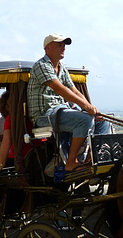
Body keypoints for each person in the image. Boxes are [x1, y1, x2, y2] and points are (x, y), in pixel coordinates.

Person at [27, 33, 110, 172]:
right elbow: (60, 89)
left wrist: (91, 108)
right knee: (84, 120)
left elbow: (74, 91)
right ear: (48, 48)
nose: (63, 47)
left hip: (60, 111)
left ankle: (92, 159)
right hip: (44, 115)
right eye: (59, 44)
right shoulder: (41, 66)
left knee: (103, 121)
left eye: (64, 45)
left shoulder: (62, 68)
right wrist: (85, 107)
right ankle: (71, 162)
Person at [0, 91, 33, 175]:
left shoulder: (11, 119)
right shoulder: (34, 116)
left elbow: (6, 141)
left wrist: (1, 164)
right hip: (37, 154)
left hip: (20, 157)